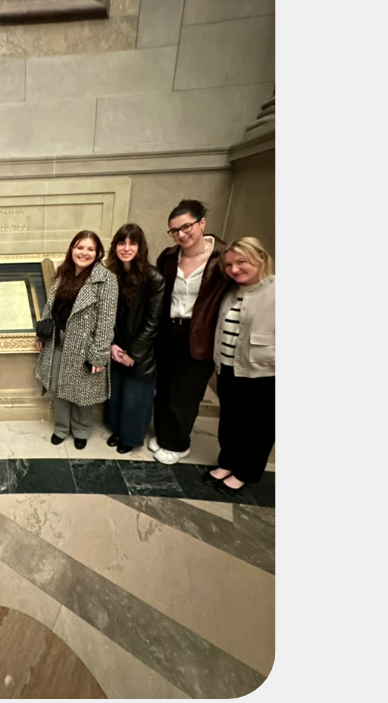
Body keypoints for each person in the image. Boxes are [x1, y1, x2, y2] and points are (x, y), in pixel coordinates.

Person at [151, 199, 231, 465]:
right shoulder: (169, 256)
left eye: (186, 227)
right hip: (169, 330)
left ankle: (177, 443)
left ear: (202, 223)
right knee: (163, 386)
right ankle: (164, 435)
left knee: (185, 392)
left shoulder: (222, 257)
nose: (181, 235)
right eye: (174, 230)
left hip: (201, 334)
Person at [34, 230, 119, 449]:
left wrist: (99, 355)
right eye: (80, 247)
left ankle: (81, 430)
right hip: (58, 342)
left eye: (90, 249)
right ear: (72, 249)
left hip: (85, 346)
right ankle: (61, 428)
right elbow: (50, 305)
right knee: (58, 387)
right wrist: (42, 333)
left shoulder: (106, 280)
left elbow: (107, 320)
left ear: (98, 252)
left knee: (83, 392)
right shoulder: (63, 272)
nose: (84, 253)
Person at [208, 237, 276, 495]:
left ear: (259, 258)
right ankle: (227, 462)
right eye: (229, 265)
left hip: (264, 372)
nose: (234, 269)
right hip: (228, 368)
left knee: (258, 425)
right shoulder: (231, 290)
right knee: (230, 420)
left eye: (241, 262)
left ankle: (245, 472)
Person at [103, 224, 165, 454]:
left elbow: (153, 321)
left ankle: (130, 437)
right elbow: (109, 313)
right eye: (121, 243)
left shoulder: (154, 278)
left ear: (140, 247)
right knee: (118, 394)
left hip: (141, 350)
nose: (126, 248)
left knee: (135, 398)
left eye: (132, 243)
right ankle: (118, 430)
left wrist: (134, 353)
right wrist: (113, 344)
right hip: (117, 345)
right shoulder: (112, 275)